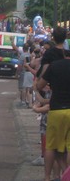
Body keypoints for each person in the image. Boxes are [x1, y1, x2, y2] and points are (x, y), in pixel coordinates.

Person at [36, 51, 70, 181]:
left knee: (50, 146)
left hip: (56, 109)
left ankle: (47, 177)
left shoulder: (54, 65)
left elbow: (40, 85)